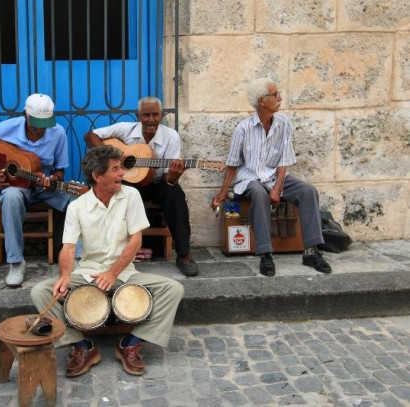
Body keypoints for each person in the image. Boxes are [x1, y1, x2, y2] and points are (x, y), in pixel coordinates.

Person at [31, 145, 184, 377]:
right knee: (40, 292)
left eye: (120, 168)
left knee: (174, 289)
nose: (122, 173)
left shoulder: (130, 195)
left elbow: (135, 241)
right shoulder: (76, 207)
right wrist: (64, 276)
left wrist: (113, 273)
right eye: (115, 169)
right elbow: (68, 248)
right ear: (97, 176)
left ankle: (130, 343)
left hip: (124, 274)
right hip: (88, 274)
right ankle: (82, 347)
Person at [211, 78, 332, 277]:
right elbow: (232, 163)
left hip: (275, 177)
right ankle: (266, 253)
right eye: (275, 95)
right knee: (259, 194)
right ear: (262, 100)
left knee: (308, 191)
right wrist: (222, 193)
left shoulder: (283, 124)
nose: (280, 98)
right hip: (249, 178)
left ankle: (311, 251)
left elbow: (284, 159)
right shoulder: (243, 128)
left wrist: (277, 188)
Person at [84, 97, 199, 277]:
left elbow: (169, 178)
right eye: (146, 115)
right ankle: (106, 253)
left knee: (175, 194)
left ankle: (184, 255)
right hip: (127, 183)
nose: (151, 120)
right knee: (109, 192)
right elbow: (90, 135)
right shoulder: (125, 130)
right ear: (138, 116)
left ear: (161, 116)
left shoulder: (171, 137)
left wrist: (174, 177)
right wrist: (111, 160)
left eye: (155, 115)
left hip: (157, 184)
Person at [0, 94, 73, 287]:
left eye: (45, 123)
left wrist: (53, 180)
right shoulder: (9, 127)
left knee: (77, 201)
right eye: (36, 123)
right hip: (17, 186)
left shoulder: (58, 133)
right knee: (11, 197)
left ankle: (80, 259)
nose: (41, 128)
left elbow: (59, 170)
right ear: (25, 114)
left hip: (44, 186)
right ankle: (16, 262)